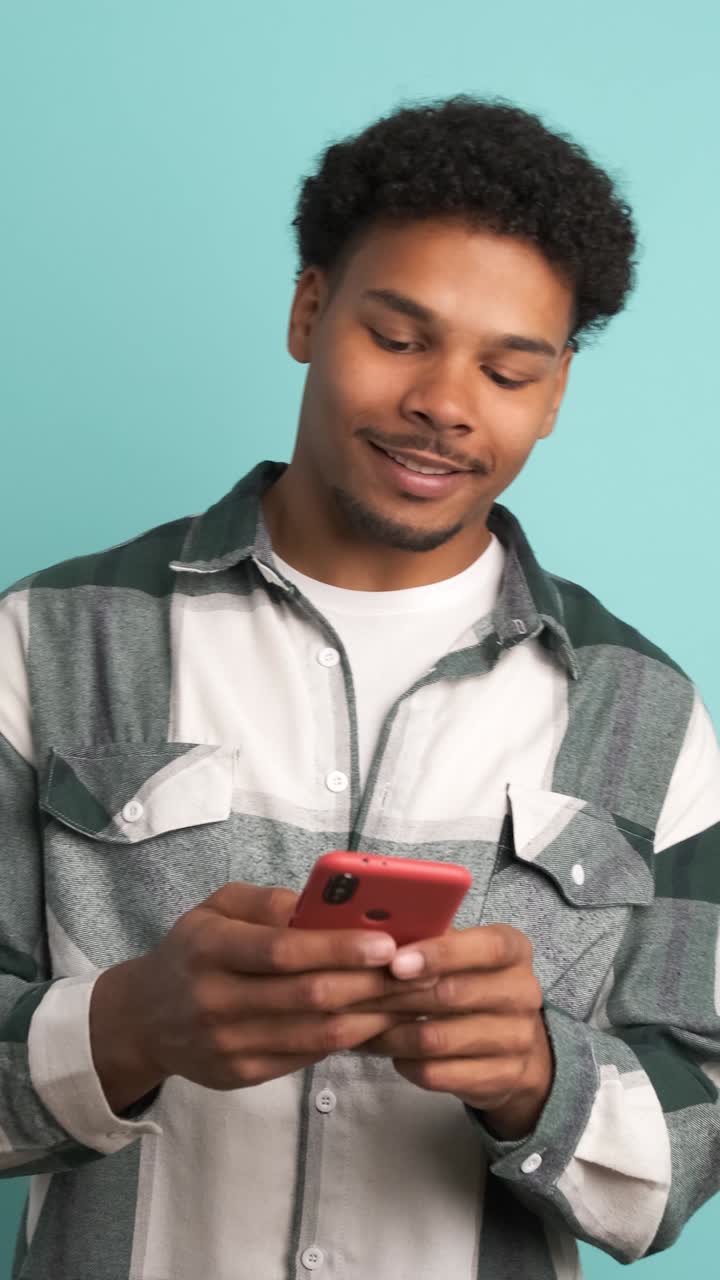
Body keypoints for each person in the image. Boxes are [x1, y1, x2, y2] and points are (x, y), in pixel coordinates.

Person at [1, 94, 719, 1280]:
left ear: (553, 397)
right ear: (309, 309)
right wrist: (128, 1025)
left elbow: (694, 1146)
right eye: (399, 337)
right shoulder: (45, 642)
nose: (445, 400)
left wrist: (538, 1076)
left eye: (507, 367)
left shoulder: (647, 713)